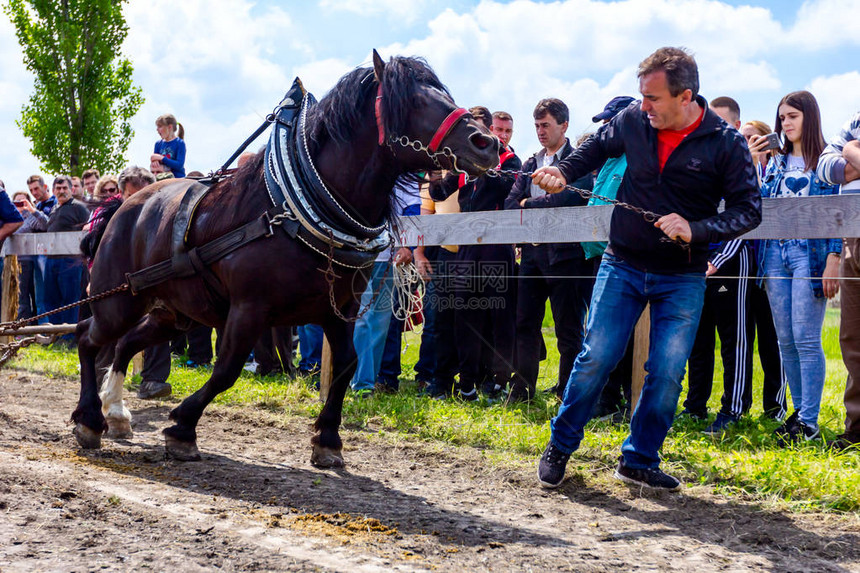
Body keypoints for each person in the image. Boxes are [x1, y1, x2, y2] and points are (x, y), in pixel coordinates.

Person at [531, 47, 761, 490]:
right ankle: (560, 445)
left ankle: (639, 459)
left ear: (685, 96)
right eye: (641, 96)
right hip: (624, 261)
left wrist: (696, 228)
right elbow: (594, 148)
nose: (644, 106)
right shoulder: (634, 120)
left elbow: (749, 211)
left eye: (653, 98)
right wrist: (562, 169)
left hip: (683, 274)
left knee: (668, 370)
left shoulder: (726, 142)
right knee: (596, 355)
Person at [751, 90, 840, 445]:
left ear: (809, 117)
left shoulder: (826, 160)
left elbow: (836, 214)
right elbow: (757, 204)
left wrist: (834, 258)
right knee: (784, 338)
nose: (786, 123)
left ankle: (810, 421)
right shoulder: (775, 163)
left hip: (810, 253)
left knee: (805, 337)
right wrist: (753, 162)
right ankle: (799, 416)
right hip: (775, 252)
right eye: (782, 117)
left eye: (793, 116)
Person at [504, 98, 595, 403]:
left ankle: (565, 392)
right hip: (531, 256)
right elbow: (509, 204)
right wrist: (529, 204)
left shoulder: (578, 160)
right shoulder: (531, 163)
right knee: (524, 323)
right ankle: (522, 390)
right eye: (537, 126)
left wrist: (529, 204)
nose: (541, 131)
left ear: (563, 125)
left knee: (568, 329)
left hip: (567, 257)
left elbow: (567, 200)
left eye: (546, 125)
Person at [429, 106, 521, 400]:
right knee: (465, 317)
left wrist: (475, 173)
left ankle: (498, 381)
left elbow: (498, 190)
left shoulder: (511, 161)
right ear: (488, 131)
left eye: (507, 131)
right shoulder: (465, 165)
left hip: (497, 248)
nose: (502, 135)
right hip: (467, 249)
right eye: (498, 130)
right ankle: (466, 382)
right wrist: (438, 168)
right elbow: (440, 192)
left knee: (499, 317)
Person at [683, 96, 757, 434]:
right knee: (698, 339)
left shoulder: (742, 165)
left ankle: (733, 408)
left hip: (730, 269)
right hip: (699, 265)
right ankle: (694, 405)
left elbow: (746, 219)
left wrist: (717, 261)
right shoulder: (704, 161)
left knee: (734, 338)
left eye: (724, 124)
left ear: (737, 126)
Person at [582, 96, 637, 422]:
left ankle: (630, 401)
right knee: (603, 333)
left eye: (610, 123)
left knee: (625, 335)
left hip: (623, 258)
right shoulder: (608, 161)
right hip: (599, 256)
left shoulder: (635, 160)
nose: (605, 129)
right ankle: (608, 399)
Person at [736, 119, 788, 420]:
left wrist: (755, 164)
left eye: (755, 138)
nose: (750, 143)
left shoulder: (776, 171)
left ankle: (774, 407)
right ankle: (740, 404)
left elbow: (762, 202)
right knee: (743, 337)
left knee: (771, 339)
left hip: (770, 264)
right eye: (744, 139)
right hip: (743, 265)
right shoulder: (735, 172)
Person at [817, 110, 860, 449]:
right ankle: (857, 427)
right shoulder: (854, 120)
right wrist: (848, 152)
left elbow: (841, 158)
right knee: (852, 335)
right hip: (851, 234)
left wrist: (851, 151)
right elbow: (824, 167)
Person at [43, 175, 90, 344]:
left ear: (72, 189)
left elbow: (88, 230)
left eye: (65, 188)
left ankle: (69, 336)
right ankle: (54, 334)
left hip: (71, 261)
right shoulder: (54, 209)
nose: (61, 191)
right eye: (58, 188)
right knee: (51, 298)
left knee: (69, 300)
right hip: (51, 260)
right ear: (54, 190)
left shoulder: (79, 208)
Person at [11, 191, 47, 319]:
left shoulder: (31, 217)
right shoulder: (9, 217)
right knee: (20, 295)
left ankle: (33, 323)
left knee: (33, 294)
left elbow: (45, 225)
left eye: (23, 201)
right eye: (16, 202)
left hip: (29, 260)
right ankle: (22, 324)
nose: (20, 204)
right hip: (11, 261)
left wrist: (32, 210)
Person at [151, 113, 186, 179]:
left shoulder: (180, 143)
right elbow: (155, 161)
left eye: (160, 126)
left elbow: (179, 165)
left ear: (170, 127)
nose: (157, 129)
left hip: (178, 179)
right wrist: (155, 161)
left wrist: (161, 158)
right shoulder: (158, 144)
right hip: (161, 178)